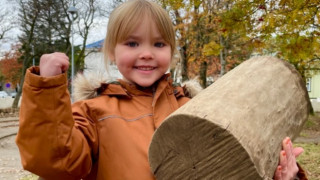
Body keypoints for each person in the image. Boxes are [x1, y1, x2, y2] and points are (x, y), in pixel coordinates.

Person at [16, 0, 307, 179]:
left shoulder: (200, 107)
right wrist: (46, 90)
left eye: (158, 44)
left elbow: (235, 166)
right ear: (112, 54)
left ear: (172, 52)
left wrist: (284, 176)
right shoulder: (93, 112)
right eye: (132, 43)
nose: (146, 53)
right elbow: (55, 162)